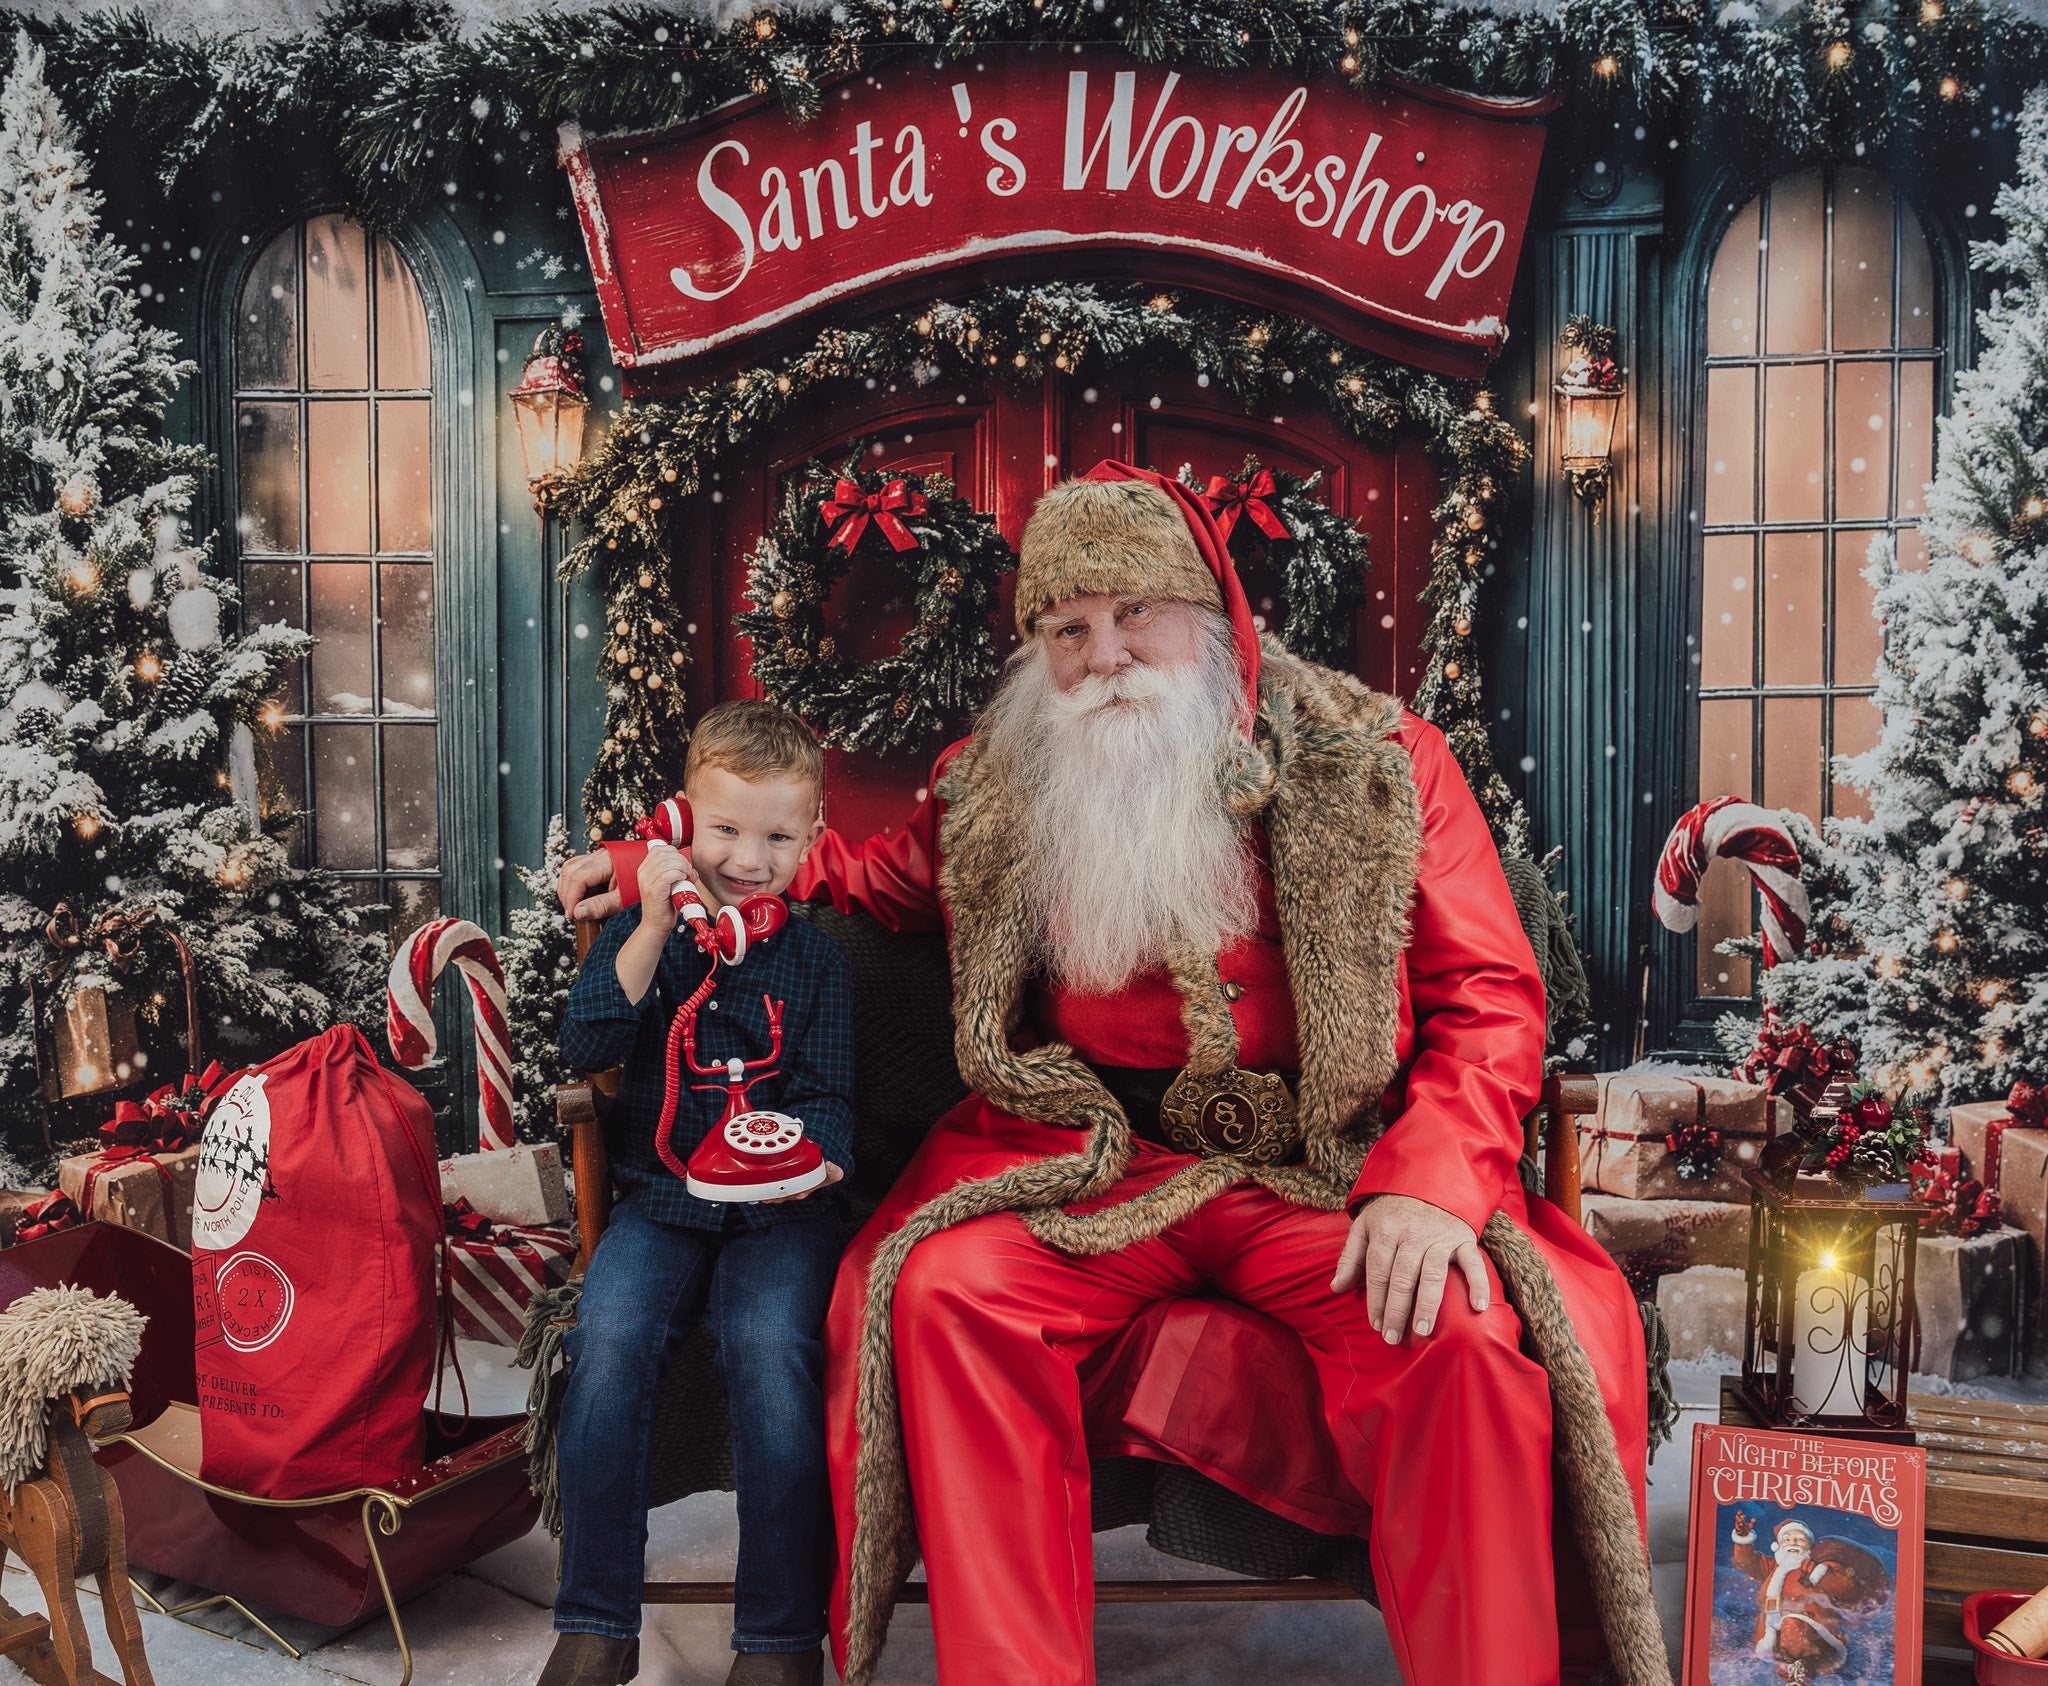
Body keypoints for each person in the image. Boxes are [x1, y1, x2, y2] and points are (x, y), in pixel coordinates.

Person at [559, 464, 1666, 1686]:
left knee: (1454, 1336)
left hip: (1322, 1165)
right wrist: (650, 858)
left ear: (1208, 612)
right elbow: (838, 876)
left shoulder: (1379, 760)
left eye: (1133, 613)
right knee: (944, 1292)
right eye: (1068, 629)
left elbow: (1490, 996)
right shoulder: (999, 782)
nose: (1105, 654)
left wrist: (1435, 1181)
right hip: (1087, 1165)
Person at [542, 700, 853, 1686]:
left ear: (811, 842)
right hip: (660, 1203)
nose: (748, 857)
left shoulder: (816, 960)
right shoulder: (659, 941)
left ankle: (776, 1637)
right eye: (724, 829)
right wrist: (644, 923)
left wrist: (818, 1155)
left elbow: (830, 1096)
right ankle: (596, 1620)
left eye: (776, 835)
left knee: (770, 1352)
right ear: (680, 823)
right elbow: (586, 1047)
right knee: (607, 1343)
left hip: (782, 1215)